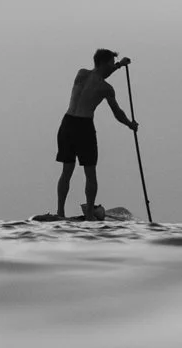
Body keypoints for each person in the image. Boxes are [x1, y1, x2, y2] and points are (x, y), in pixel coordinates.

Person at [48, 48, 138, 220]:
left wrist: (119, 65)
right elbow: (117, 113)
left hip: (67, 124)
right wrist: (130, 124)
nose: (112, 66)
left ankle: (60, 212)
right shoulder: (106, 88)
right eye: (111, 63)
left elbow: (101, 73)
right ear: (105, 63)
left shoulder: (81, 74)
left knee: (67, 170)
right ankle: (89, 214)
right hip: (84, 127)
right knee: (90, 173)